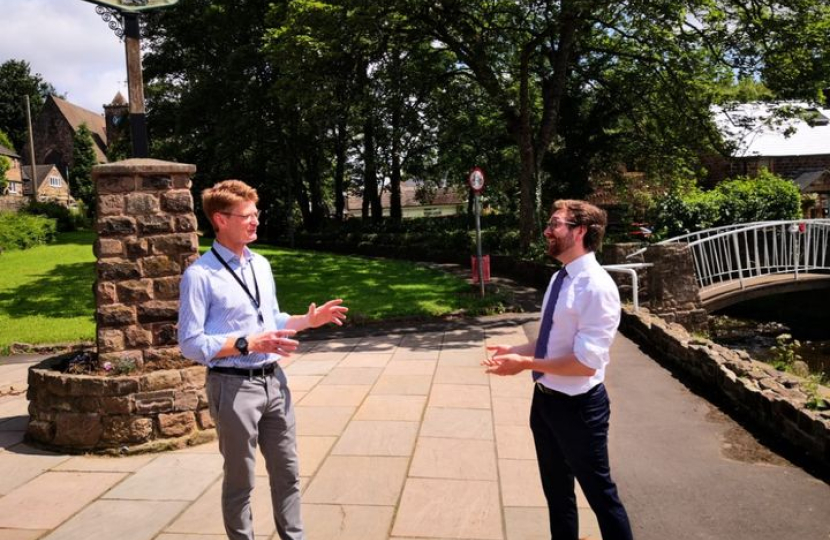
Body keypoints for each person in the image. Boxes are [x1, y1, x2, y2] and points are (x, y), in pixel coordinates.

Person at [178, 179, 348, 540]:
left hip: (274, 382)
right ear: (220, 220)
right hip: (232, 386)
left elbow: (271, 319)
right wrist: (246, 343)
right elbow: (190, 344)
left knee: (288, 473)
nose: (255, 222)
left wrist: (306, 321)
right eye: (247, 216)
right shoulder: (199, 276)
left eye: (257, 214)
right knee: (241, 481)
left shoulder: (262, 265)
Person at [483, 199, 633, 540]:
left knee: (601, 498)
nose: (548, 231)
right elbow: (554, 341)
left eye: (555, 224)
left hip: (580, 410)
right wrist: (517, 350)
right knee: (557, 495)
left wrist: (525, 365)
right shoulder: (560, 278)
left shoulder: (597, 287)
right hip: (546, 404)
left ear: (580, 231)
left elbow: (584, 364)